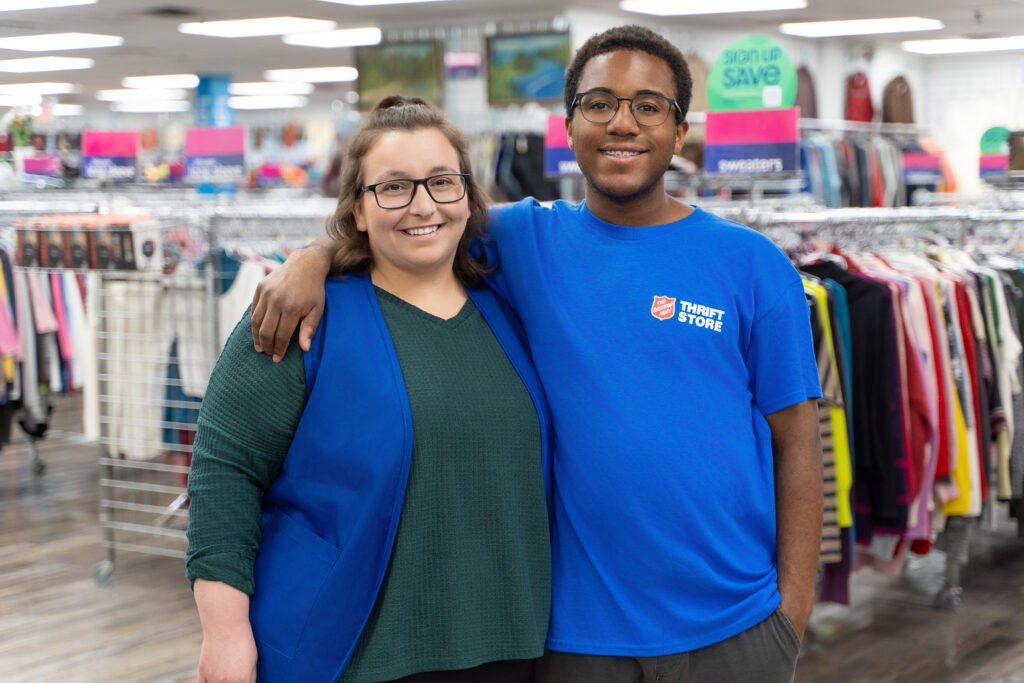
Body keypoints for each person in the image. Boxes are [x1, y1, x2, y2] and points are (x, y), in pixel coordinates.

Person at [250, 25, 824, 683]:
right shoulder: (522, 239)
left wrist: (791, 615)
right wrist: (314, 256)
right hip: (575, 638)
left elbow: (798, 442)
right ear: (570, 122)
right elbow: (411, 225)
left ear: (679, 127)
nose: (623, 123)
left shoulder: (754, 266)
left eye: (648, 105)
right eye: (600, 103)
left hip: (737, 630)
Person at [185, 96, 553, 683]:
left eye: (441, 182)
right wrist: (224, 633)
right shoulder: (304, 318)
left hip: (508, 645)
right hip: (353, 653)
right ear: (358, 209)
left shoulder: (508, 308)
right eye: (393, 188)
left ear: (468, 195)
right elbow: (224, 471)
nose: (423, 205)